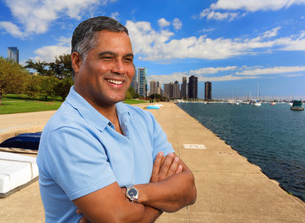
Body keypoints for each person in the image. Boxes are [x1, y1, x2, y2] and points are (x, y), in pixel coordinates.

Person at [37, 16, 196, 223]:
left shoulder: (144, 120)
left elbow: (189, 189)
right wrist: (160, 190)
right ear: (77, 62)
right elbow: (119, 220)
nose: (121, 69)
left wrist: (134, 193)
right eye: (107, 57)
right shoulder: (67, 131)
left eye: (127, 59)